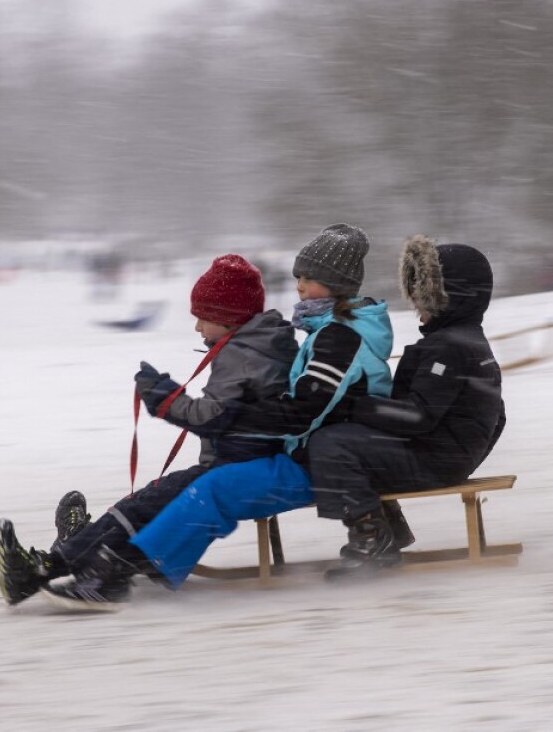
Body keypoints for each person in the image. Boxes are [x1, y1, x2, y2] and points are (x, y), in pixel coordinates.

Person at [44, 223, 395, 608]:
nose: (299, 286)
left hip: (325, 465)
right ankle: (104, 557)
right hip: (316, 456)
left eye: (309, 279)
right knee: (202, 483)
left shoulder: (339, 336)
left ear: (337, 284)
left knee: (213, 488)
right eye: (298, 277)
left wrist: (223, 418)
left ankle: (118, 569)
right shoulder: (329, 331)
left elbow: (304, 412)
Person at [0, 253, 298, 605]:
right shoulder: (258, 345)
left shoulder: (244, 353)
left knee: (146, 505)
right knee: (144, 502)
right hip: (237, 459)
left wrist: (163, 397)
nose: (197, 327)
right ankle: (63, 555)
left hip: (237, 465)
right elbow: (233, 412)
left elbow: (212, 416)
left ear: (227, 318)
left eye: (203, 317)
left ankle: (57, 564)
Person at [305, 238, 506, 576]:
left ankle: (372, 540)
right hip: (445, 455)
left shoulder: (450, 348)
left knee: (331, 444)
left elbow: (416, 415)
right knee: (352, 439)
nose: (416, 305)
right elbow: (497, 416)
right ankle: (389, 530)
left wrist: (353, 406)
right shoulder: (466, 340)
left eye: (423, 297)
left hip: (436, 459)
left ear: (449, 298)